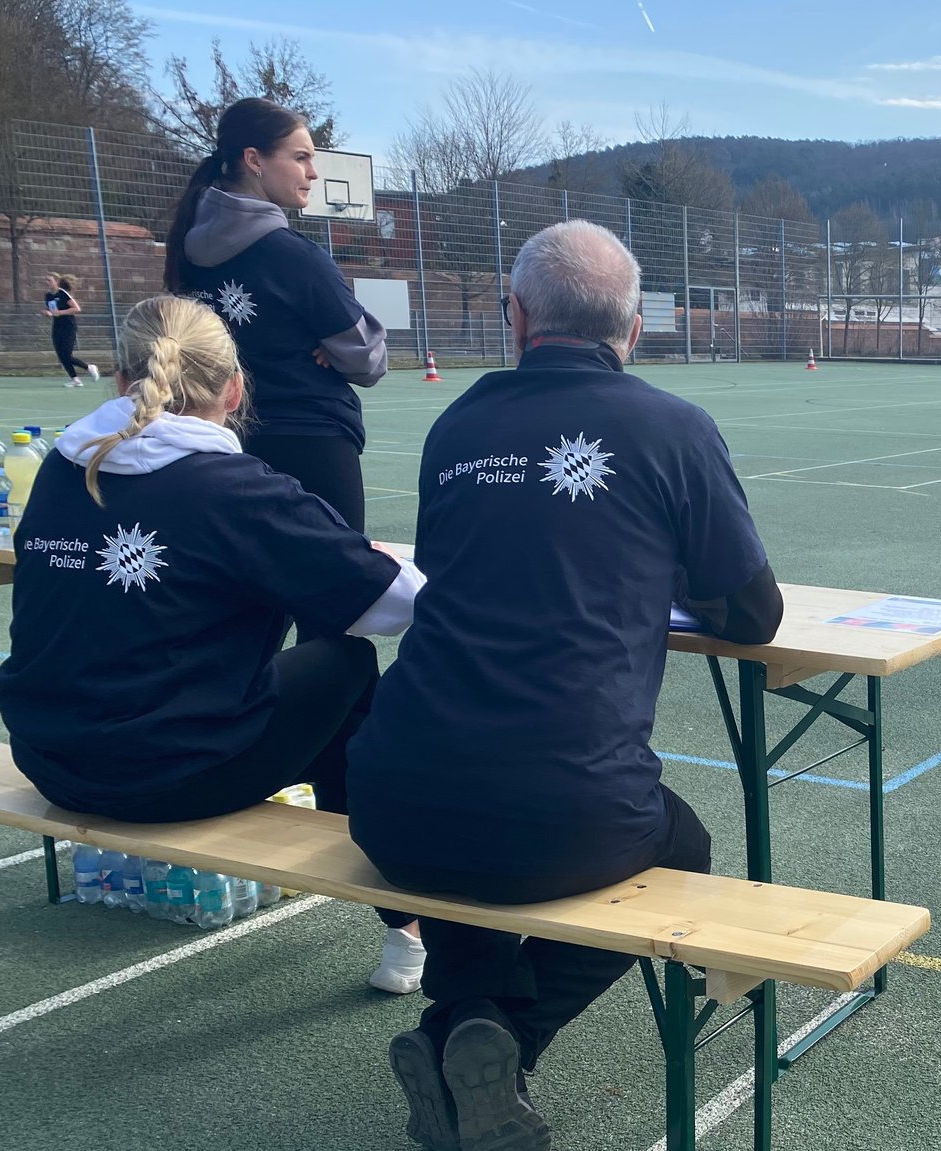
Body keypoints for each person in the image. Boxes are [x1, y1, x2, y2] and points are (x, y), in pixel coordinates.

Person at [346, 220, 782, 1151]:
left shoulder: (457, 422)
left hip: (390, 798)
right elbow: (755, 615)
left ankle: (462, 1018)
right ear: (632, 330)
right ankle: (508, 1035)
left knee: (474, 814)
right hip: (568, 807)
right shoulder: (671, 426)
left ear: (516, 316)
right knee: (681, 843)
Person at [0, 294, 426, 983]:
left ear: (118, 381)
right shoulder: (233, 488)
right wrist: (358, 554)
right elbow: (397, 603)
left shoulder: (59, 466)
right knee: (347, 665)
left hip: (48, 755)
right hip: (170, 776)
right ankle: (406, 920)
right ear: (235, 387)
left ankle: (405, 923)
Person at [164, 97, 387, 581]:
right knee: (335, 602)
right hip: (313, 441)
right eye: (301, 157)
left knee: (248, 602)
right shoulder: (293, 257)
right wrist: (329, 348)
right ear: (254, 160)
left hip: (226, 441)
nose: (313, 172)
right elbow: (368, 360)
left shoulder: (185, 250)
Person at [43, 274, 101, 388]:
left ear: (57, 282)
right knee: (61, 355)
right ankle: (75, 379)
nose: (47, 283)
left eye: (49, 280)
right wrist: (48, 313)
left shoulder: (63, 294)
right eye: (46, 281)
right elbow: (53, 311)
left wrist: (59, 313)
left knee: (67, 355)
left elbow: (76, 308)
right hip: (57, 326)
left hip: (68, 327)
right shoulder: (48, 296)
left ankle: (89, 367)